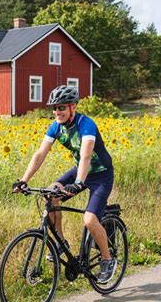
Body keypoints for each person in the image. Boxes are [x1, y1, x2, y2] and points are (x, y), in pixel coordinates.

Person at [13, 85, 116, 283]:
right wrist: (24, 180)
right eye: (54, 108)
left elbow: (86, 155)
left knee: (89, 220)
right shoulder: (56, 126)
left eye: (61, 107)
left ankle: (107, 259)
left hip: (101, 175)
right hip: (79, 171)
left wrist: (78, 183)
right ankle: (61, 243)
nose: (57, 112)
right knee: (51, 194)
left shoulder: (86, 124)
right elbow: (40, 153)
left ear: (72, 107)